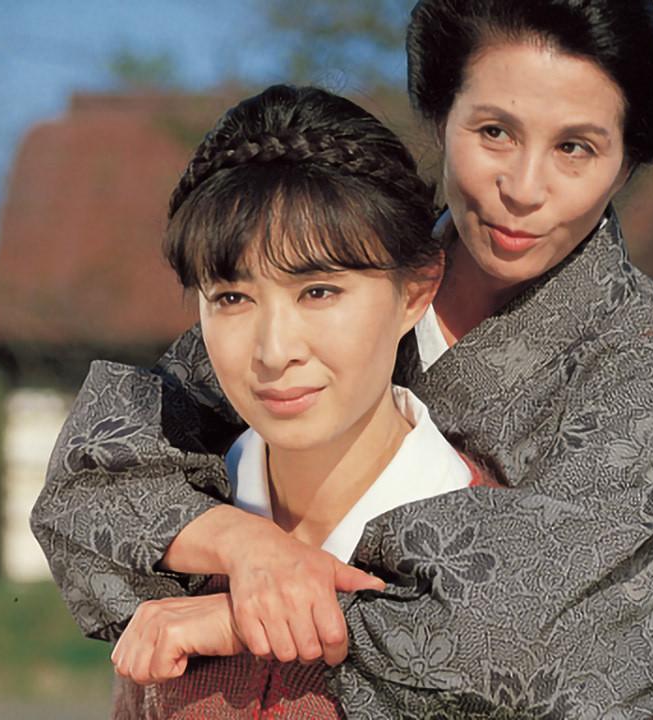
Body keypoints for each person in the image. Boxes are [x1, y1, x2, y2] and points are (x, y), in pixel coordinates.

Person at [32, 1, 653, 716]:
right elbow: (95, 475)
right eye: (494, 132)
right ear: (441, 116)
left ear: (625, 165)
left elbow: (532, 625)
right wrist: (247, 546)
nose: (524, 189)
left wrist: (245, 619)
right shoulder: (337, 264)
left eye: (575, 148)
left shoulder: (650, 358)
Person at [108, 83, 498, 718]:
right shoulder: (165, 545)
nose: (273, 350)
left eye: (318, 292)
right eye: (232, 298)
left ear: (416, 290)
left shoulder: (504, 551)